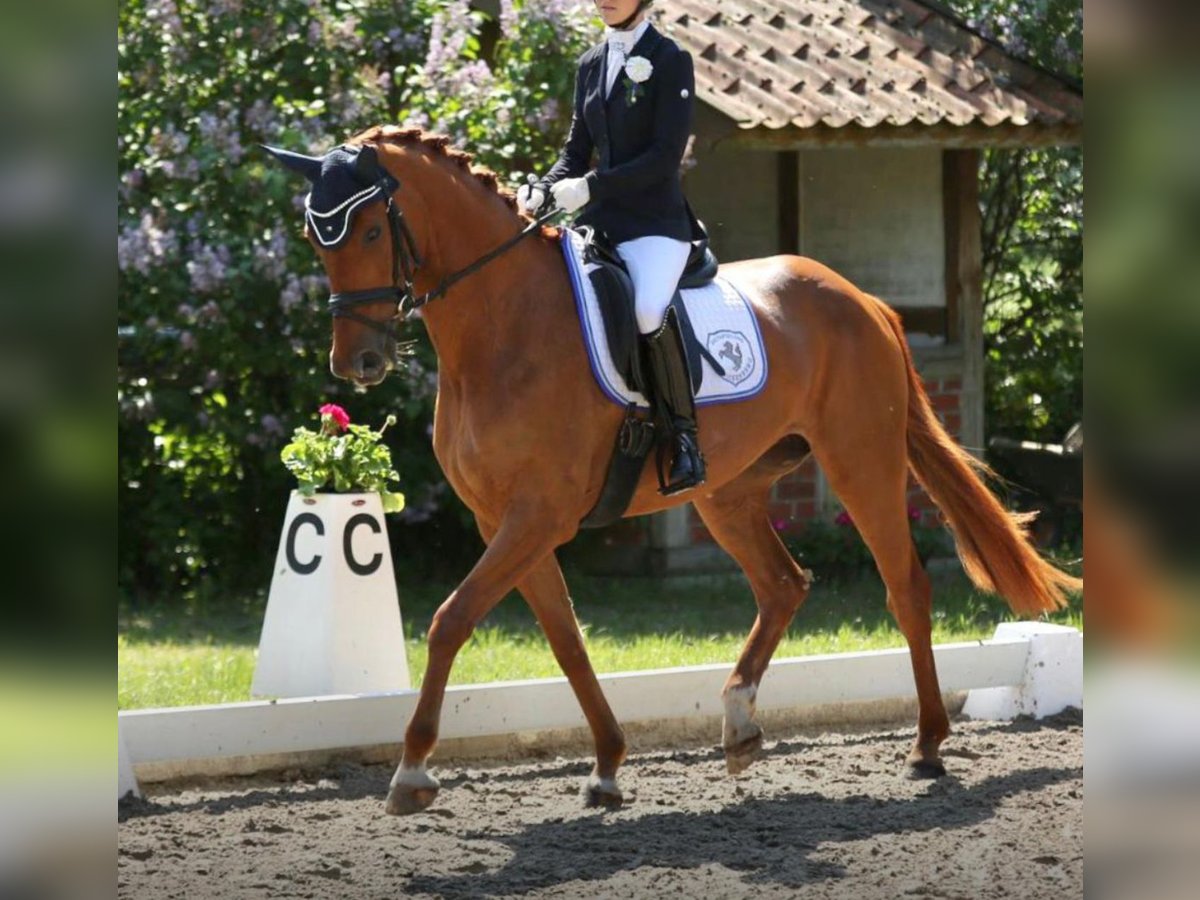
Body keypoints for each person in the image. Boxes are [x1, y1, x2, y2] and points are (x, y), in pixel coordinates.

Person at [517, 0, 707, 495]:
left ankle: (685, 439)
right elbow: (575, 151)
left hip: (656, 225)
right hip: (601, 225)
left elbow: (665, 156)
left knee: (647, 310)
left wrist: (593, 187)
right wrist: (544, 185)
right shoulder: (590, 63)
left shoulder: (669, 59)